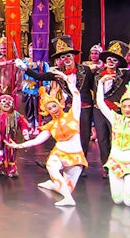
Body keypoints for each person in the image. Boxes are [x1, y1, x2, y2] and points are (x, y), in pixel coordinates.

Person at [7, 70, 87, 207]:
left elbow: (76, 95)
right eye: (50, 108)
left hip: (76, 156)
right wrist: (19, 146)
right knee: (52, 166)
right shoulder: (51, 125)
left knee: (66, 189)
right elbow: (37, 140)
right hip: (59, 154)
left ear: (59, 105)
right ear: (47, 111)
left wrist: (65, 78)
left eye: (54, 106)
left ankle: (52, 185)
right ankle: (68, 199)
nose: (53, 109)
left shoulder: (73, 114)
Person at [20, 36, 98, 175]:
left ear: (73, 56)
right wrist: (24, 68)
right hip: (69, 108)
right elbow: (40, 76)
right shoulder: (57, 73)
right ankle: (57, 161)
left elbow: (94, 87)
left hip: (85, 107)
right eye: (63, 57)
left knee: (83, 136)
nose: (66, 59)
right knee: (63, 135)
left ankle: (81, 164)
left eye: (68, 56)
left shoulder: (85, 70)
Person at [0, 94, 32, 178]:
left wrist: (25, 130)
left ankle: (12, 169)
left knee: (11, 154)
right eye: (4, 102)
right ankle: (0, 168)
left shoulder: (15, 115)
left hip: (10, 139)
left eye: (9, 102)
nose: (7, 104)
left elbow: (22, 123)